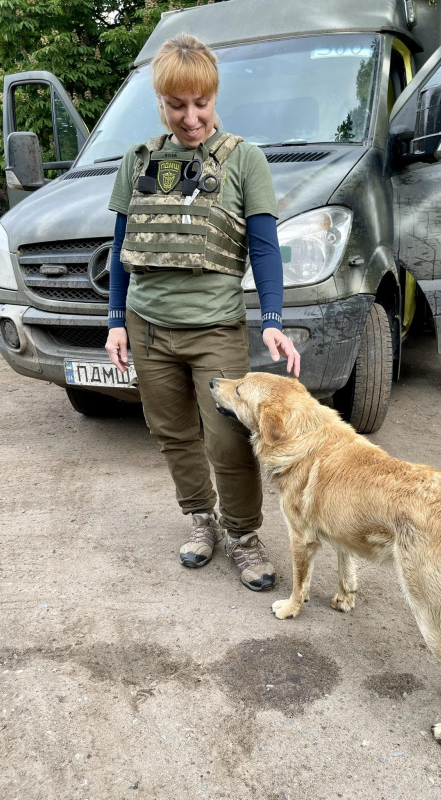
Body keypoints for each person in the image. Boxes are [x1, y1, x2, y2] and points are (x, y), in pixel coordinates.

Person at [105, 34, 300, 591]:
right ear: (160, 104)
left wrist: (273, 322)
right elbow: (124, 246)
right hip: (147, 328)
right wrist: (116, 318)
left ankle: (242, 535)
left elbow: (263, 248)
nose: (190, 118)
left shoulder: (245, 160)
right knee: (171, 433)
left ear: (214, 99)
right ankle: (200, 520)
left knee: (229, 440)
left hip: (214, 328)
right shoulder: (138, 161)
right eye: (176, 105)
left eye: (201, 104)